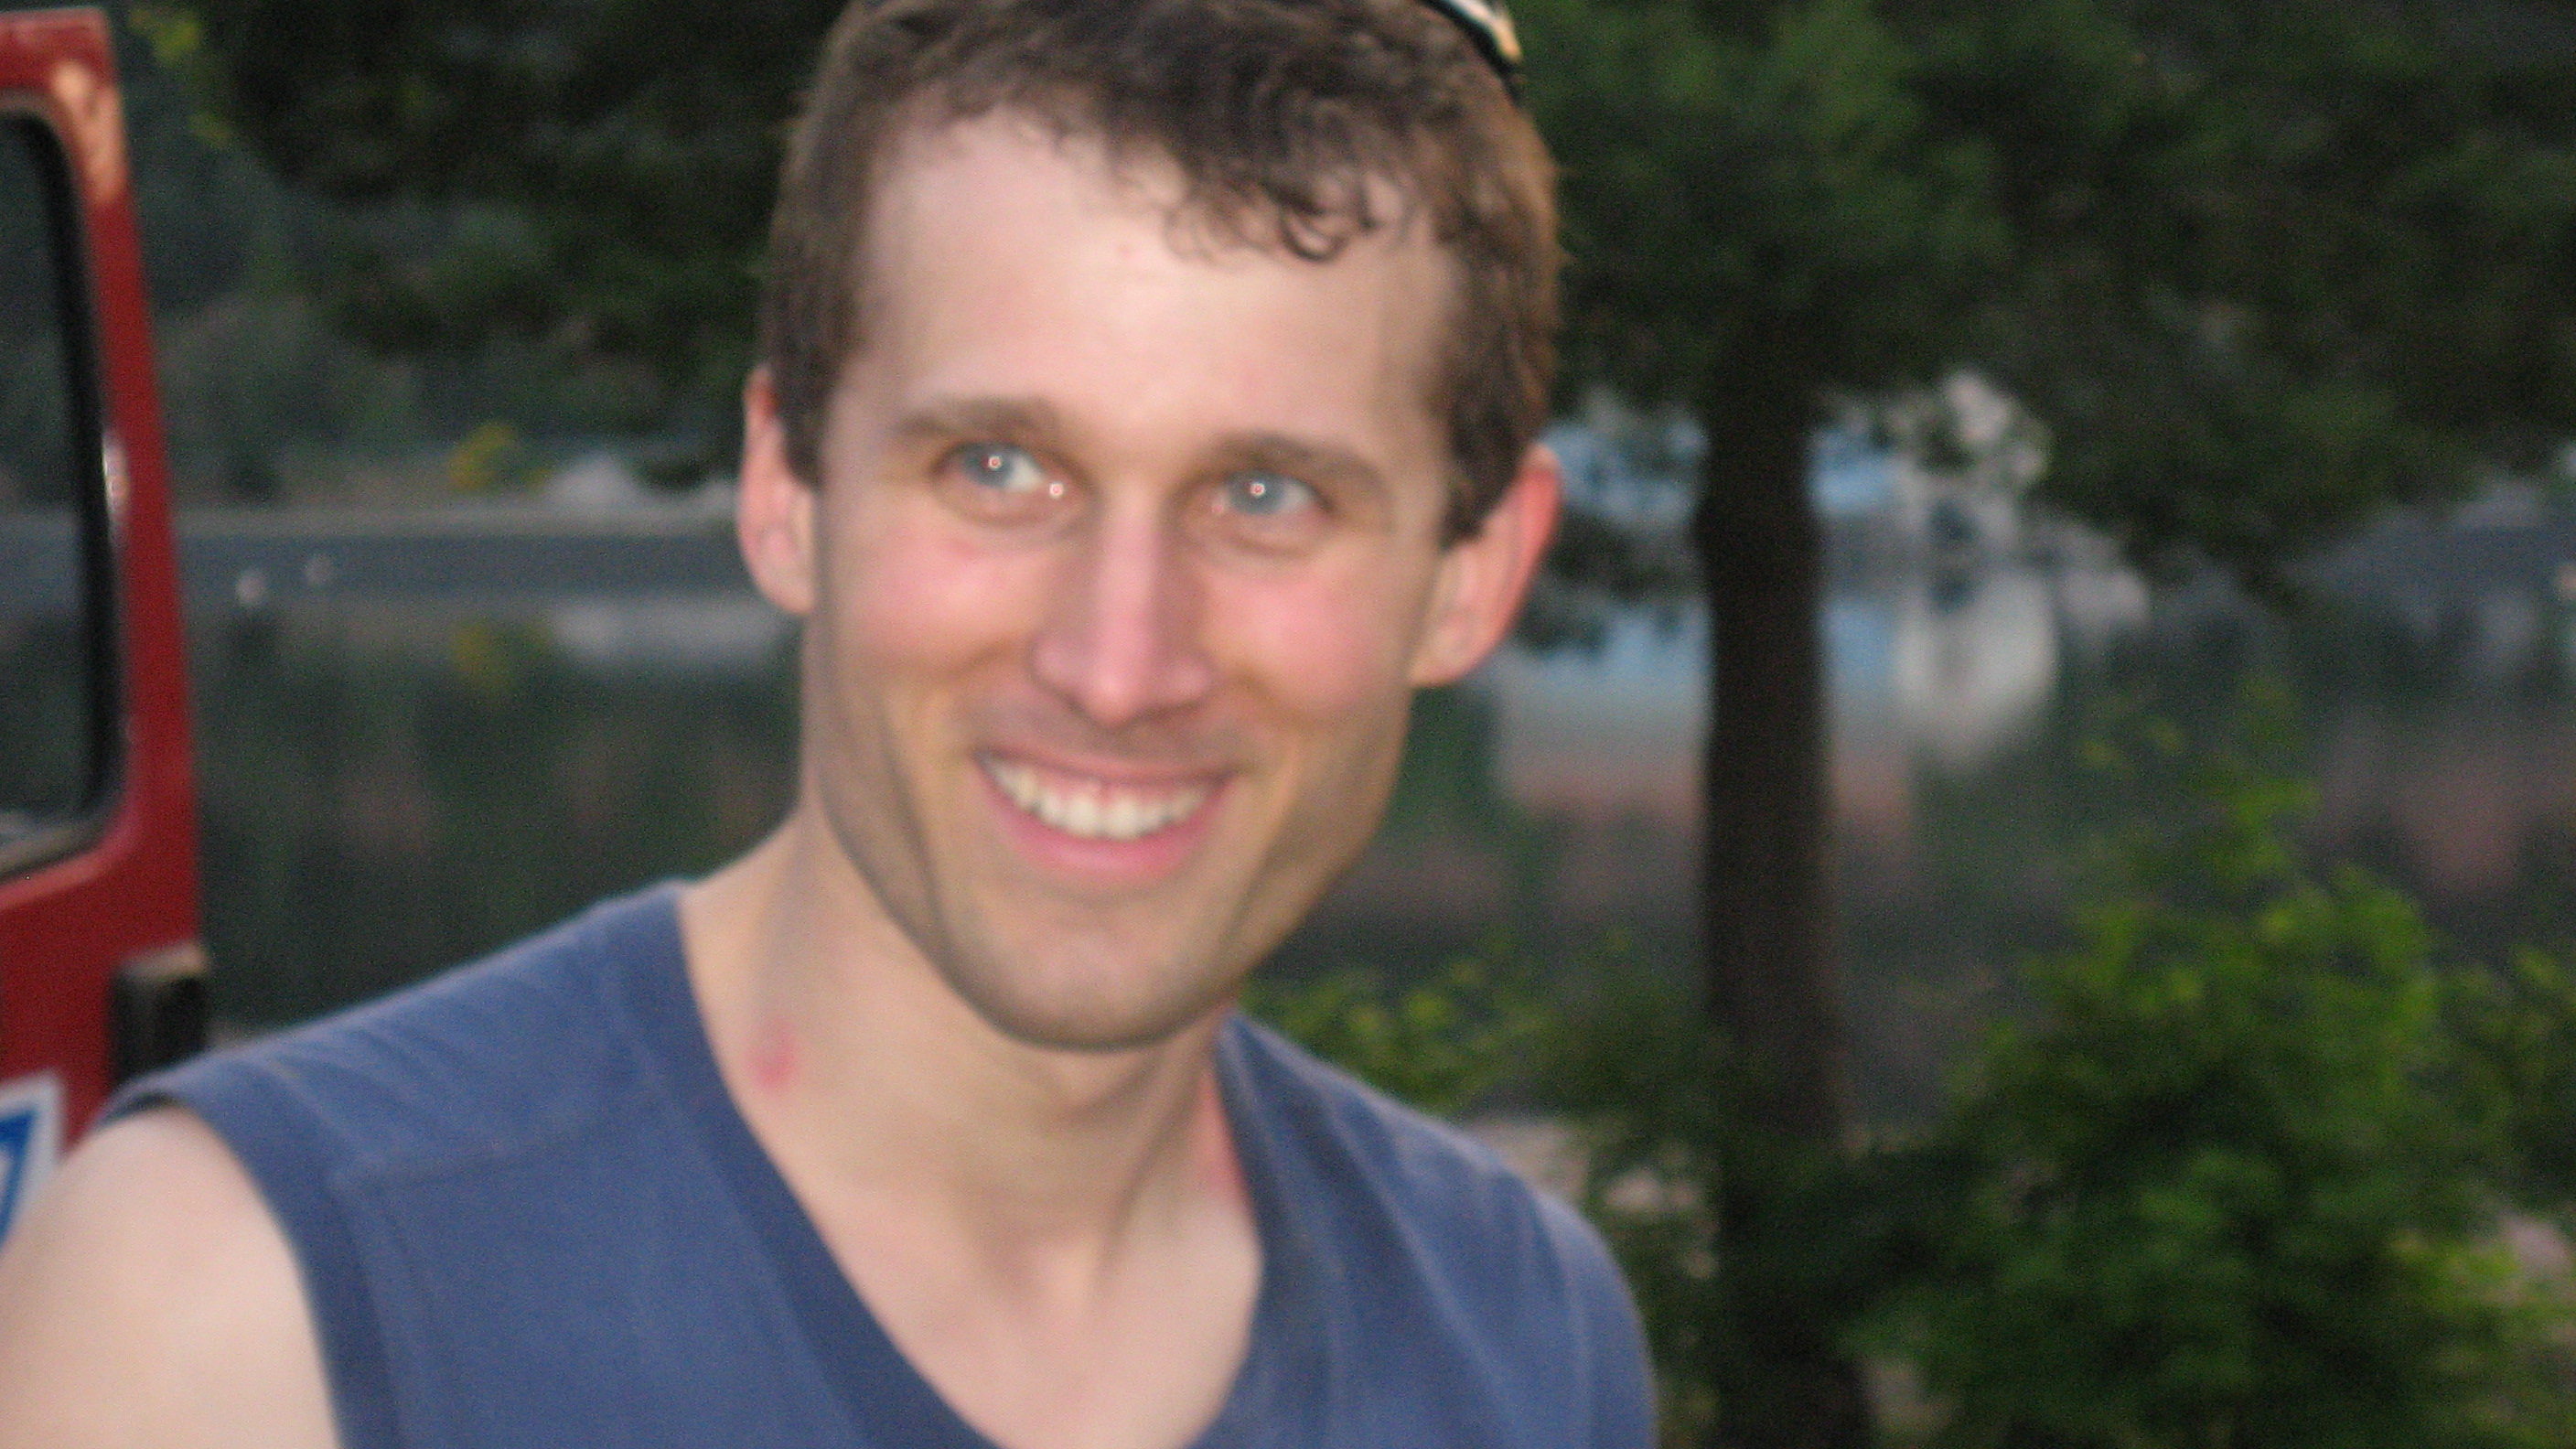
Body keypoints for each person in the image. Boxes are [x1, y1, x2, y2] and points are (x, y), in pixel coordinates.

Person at [0, 0, 1652, 1444]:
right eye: (999, 468)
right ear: (786, 488)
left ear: (1471, 575)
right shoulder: (239, 1314)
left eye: (1267, 495)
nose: (1119, 661)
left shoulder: (1520, 1340)